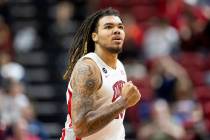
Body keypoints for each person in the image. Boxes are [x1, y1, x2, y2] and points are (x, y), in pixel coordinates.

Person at [60, 7, 141, 140]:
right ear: (95, 36)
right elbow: (80, 128)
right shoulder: (88, 68)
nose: (116, 31)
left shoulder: (119, 66)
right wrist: (124, 102)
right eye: (108, 27)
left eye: (120, 27)